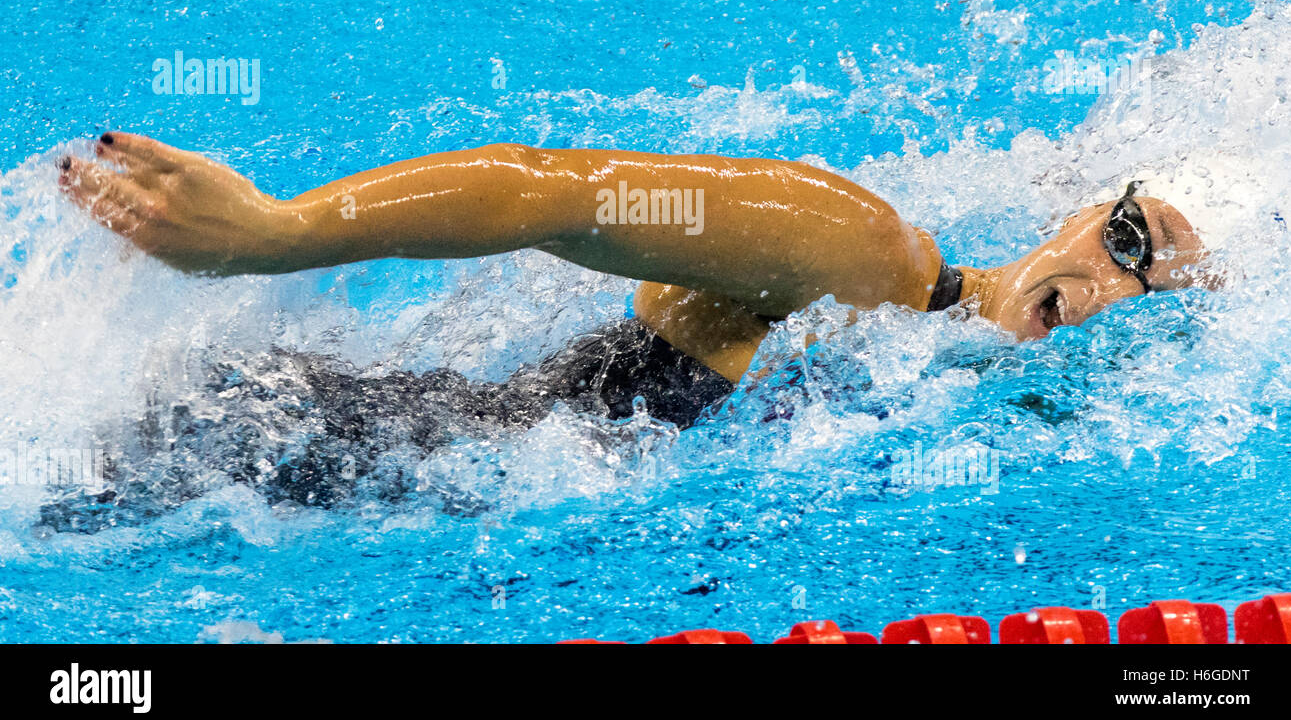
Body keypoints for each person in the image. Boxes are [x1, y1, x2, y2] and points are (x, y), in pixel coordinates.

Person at [56, 132, 1208, 435]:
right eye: (1126, 233)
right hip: (295, 446)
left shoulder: (963, 397)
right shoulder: (866, 253)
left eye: (1151, 288)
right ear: (1073, 202)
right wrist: (275, 232)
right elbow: (553, 191)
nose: (1111, 285)